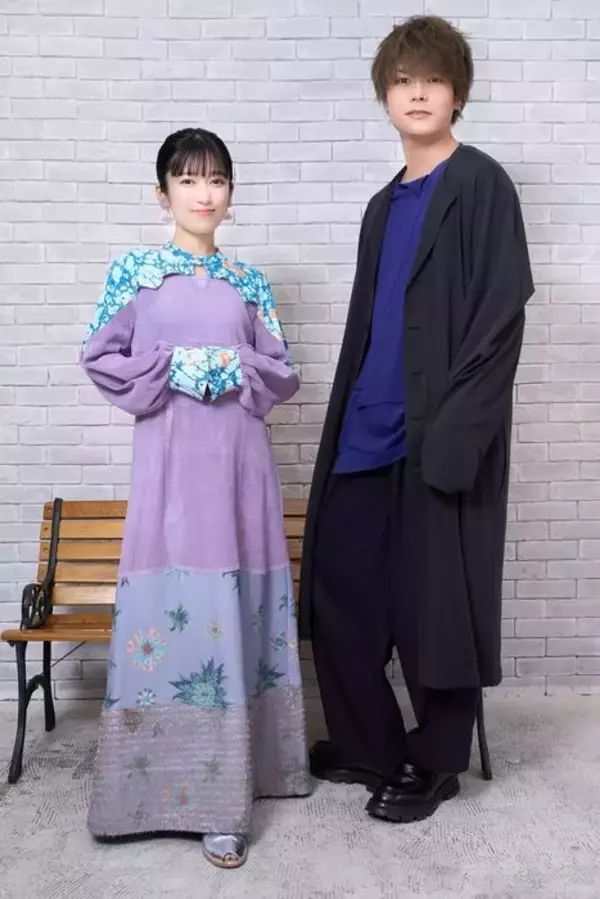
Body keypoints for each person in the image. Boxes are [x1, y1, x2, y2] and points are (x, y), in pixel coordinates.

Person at [299, 15, 534, 825]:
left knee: (439, 601)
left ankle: (435, 763)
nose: (418, 92)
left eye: (433, 78)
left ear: (457, 92)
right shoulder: (381, 205)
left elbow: (500, 316)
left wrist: (459, 435)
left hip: (441, 437)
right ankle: (370, 743)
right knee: (339, 590)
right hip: (366, 427)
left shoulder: (481, 184)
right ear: (386, 97)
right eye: (403, 81)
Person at [81, 127, 311, 868]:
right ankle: (143, 792)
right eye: (187, 180)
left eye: (216, 179)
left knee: (237, 603)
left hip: (241, 469)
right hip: (171, 468)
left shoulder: (249, 283)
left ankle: (232, 793)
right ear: (163, 193)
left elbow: (280, 370)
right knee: (173, 604)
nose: (203, 193)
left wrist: (233, 362)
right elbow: (100, 356)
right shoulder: (136, 274)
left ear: (230, 194)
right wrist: (173, 364)